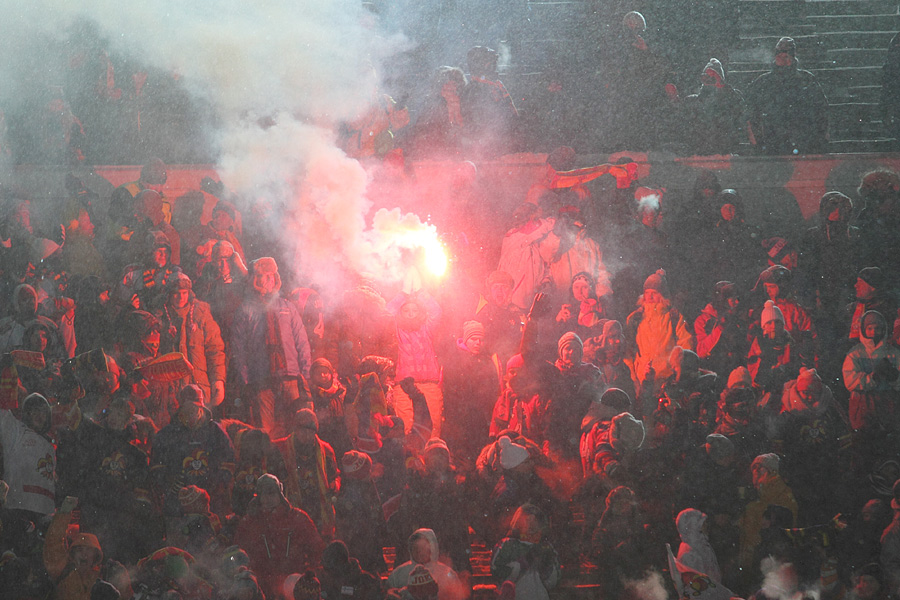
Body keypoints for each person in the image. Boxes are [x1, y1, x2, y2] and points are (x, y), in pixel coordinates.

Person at [232, 257, 311, 437]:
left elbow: (302, 342)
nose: (269, 280)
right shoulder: (246, 310)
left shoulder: (288, 308)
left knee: (295, 429)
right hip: (261, 380)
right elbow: (239, 349)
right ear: (255, 280)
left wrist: (305, 376)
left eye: (271, 276)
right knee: (265, 434)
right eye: (263, 276)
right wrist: (245, 381)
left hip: (290, 378)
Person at [235, 474, 323, 600]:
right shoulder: (248, 522)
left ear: (280, 495)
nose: (267, 498)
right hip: (260, 589)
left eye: (272, 493)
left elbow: (317, 549)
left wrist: (310, 574)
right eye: (263, 494)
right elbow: (240, 554)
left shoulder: (298, 519)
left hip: (295, 588)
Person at [746, 36, 829, 154]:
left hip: (803, 140)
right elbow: (751, 113)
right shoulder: (763, 82)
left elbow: (821, 109)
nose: (784, 59)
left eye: (787, 55)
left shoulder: (807, 80)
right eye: (780, 55)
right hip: (773, 142)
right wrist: (757, 141)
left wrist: (820, 136)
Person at [156, 273, 226, 407]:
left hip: (199, 387)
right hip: (171, 388)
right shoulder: (160, 317)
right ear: (169, 294)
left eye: (184, 293)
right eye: (176, 293)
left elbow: (215, 350)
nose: (181, 297)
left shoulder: (202, 314)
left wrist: (218, 380)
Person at [442, 320, 502, 471]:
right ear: (466, 339)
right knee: (464, 461)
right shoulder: (454, 360)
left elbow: (494, 388)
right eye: (474, 339)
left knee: (480, 459)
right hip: (461, 420)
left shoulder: (487, 360)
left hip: (482, 419)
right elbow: (449, 391)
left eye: (481, 340)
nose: (478, 343)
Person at [625, 269, 694, 399]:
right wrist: (633, 377)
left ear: (662, 295)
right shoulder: (635, 318)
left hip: (667, 380)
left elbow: (686, 344)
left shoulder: (674, 317)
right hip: (642, 380)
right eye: (647, 293)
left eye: (654, 293)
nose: (650, 297)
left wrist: (678, 371)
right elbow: (628, 349)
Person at [273, 408, 338, 538]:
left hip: (318, 509)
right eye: (303, 429)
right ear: (295, 429)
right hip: (291, 508)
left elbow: (335, 476)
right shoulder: (280, 448)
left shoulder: (326, 451)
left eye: (310, 430)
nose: (307, 434)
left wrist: (334, 486)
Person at [491, 504, 560, 600]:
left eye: (535, 522)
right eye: (527, 521)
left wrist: (546, 567)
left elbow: (552, 581)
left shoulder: (545, 547)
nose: (531, 525)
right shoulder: (507, 545)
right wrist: (522, 564)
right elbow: (498, 573)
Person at [43, 496, 103, 600]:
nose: (84, 554)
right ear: (72, 554)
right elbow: (53, 543)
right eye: (80, 550)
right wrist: (64, 513)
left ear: (95, 555)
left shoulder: (103, 577)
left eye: (88, 550)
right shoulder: (62, 569)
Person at [681, 58, 746, 155]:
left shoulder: (731, 98)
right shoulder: (692, 101)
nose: (709, 81)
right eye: (705, 77)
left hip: (725, 152)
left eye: (713, 77)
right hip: (698, 152)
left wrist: (722, 86)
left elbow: (740, 110)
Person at [387, 529, 466, 600]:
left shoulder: (447, 574)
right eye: (415, 547)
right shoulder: (398, 574)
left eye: (423, 547)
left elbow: (458, 596)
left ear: (432, 548)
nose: (419, 551)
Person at [676, 508, 722, 582]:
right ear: (693, 527)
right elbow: (699, 586)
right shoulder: (689, 554)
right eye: (703, 524)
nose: (706, 526)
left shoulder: (701, 547)